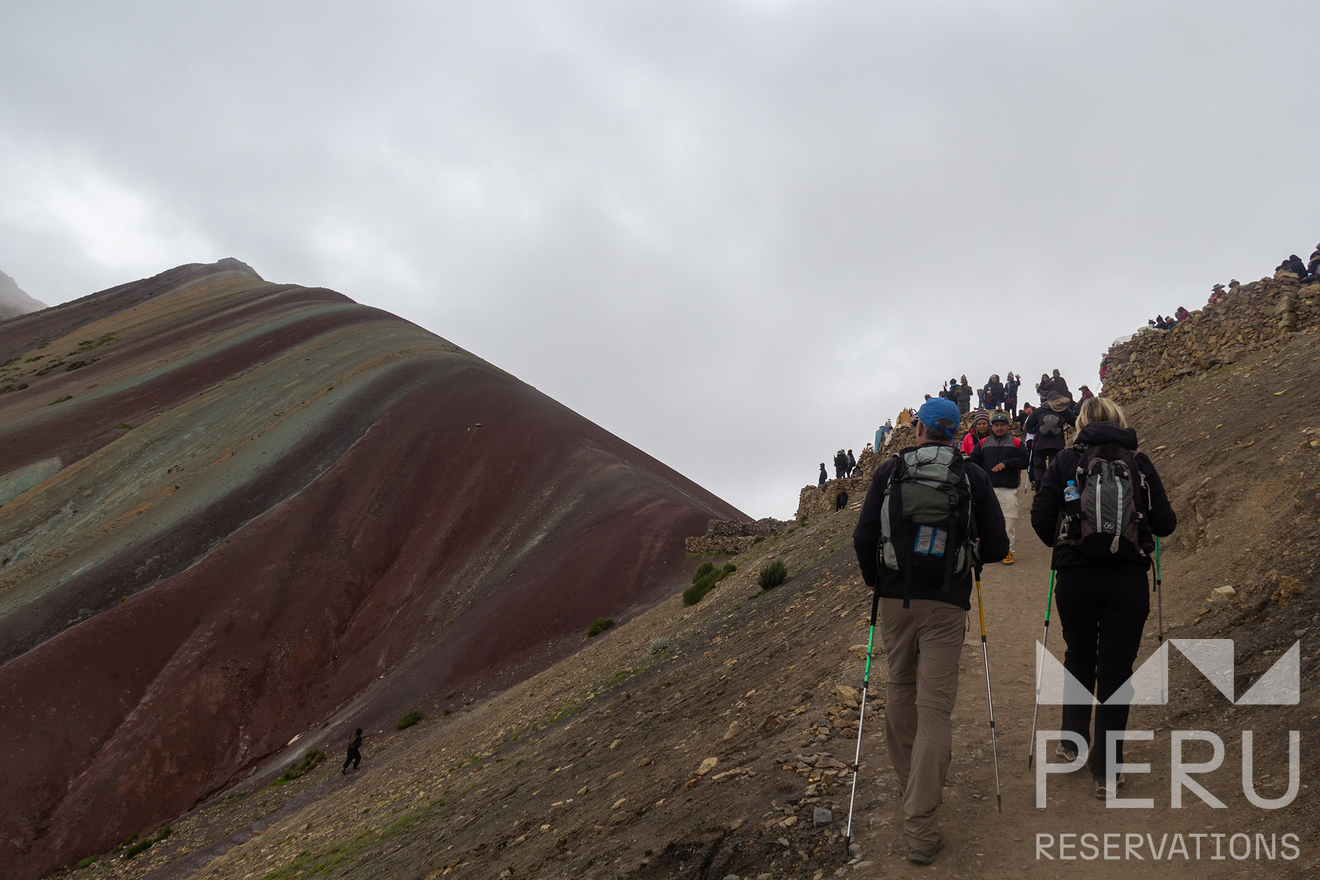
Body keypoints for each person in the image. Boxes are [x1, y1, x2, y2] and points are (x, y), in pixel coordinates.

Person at [852, 397, 1008, 865]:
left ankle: (911, 788)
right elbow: (999, 545)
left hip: (896, 599)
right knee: (935, 709)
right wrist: (971, 556)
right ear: (954, 430)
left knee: (899, 689)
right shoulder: (972, 474)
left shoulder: (890, 471)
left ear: (919, 428)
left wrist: (876, 580)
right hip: (947, 602)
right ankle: (921, 826)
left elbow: (862, 537)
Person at [1029, 397, 1176, 799]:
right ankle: (1107, 769)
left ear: (1078, 424)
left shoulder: (1062, 462)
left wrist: (1065, 541)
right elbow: (1165, 524)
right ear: (1119, 420)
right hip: (1128, 578)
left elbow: (1041, 518)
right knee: (1117, 670)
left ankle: (1072, 741)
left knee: (1079, 653)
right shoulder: (1140, 463)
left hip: (1076, 575)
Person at [969, 411, 1029, 565]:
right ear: (992, 426)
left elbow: (1024, 461)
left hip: (1008, 488)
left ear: (1008, 426)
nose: (999, 428)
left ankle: (1008, 551)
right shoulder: (982, 444)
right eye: (996, 425)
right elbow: (973, 461)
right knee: (985, 521)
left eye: (1003, 425)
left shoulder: (1016, 443)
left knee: (1008, 521)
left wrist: (1007, 463)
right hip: (987, 489)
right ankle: (987, 550)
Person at [1023, 392, 1075, 490]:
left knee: (1039, 467)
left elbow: (1029, 425)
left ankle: (1039, 490)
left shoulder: (1039, 410)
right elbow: (1074, 422)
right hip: (1057, 443)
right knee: (1055, 468)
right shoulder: (1064, 410)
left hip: (1040, 443)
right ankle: (1054, 490)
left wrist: (1037, 428)